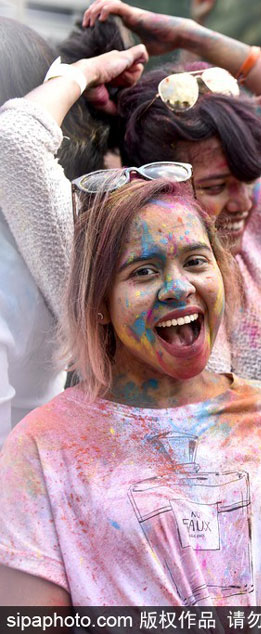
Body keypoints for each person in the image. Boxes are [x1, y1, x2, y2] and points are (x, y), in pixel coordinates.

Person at [0, 0, 261, 622]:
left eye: (249, 177)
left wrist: (186, 37)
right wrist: (85, 75)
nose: (242, 203)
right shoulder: (96, 263)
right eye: (215, 186)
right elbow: (15, 146)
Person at [0, 179, 261, 629]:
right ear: (99, 301)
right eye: (143, 271)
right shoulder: (44, 445)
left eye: (195, 261)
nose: (178, 287)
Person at [0, 18, 145, 443]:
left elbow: (16, 139)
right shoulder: (43, 238)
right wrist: (80, 74)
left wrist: (80, 75)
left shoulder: (46, 235)